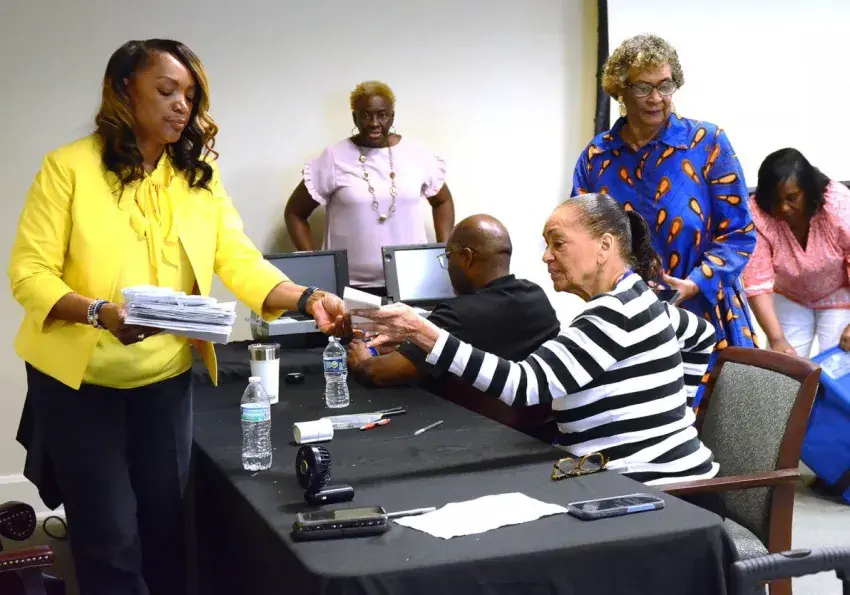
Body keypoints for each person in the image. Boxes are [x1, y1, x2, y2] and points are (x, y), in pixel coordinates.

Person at [7, 39, 344, 595]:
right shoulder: (67, 168)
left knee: (166, 530)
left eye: (189, 95)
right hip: (79, 385)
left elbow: (239, 260)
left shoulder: (197, 178)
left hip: (163, 379)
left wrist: (307, 299)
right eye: (166, 91)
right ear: (124, 90)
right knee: (110, 536)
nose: (181, 105)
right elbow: (30, 273)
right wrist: (100, 313)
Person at [353, 194, 719, 487]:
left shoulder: (613, 312)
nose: (546, 256)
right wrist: (678, 416)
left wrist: (422, 331)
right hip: (618, 473)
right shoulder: (636, 299)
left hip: (654, 492)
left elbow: (523, 384)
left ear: (604, 246)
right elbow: (702, 334)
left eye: (558, 243)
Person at [571, 34, 757, 404]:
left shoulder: (707, 143)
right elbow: (583, 238)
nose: (656, 98)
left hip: (705, 312)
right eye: (643, 87)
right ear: (619, 90)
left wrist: (695, 283)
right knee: (640, 421)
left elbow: (739, 234)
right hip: (627, 320)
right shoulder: (597, 156)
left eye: (666, 86)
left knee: (716, 424)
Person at [284, 80, 455, 294]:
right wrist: (314, 264)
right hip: (349, 286)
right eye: (366, 115)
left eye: (382, 115)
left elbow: (442, 201)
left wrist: (444, 252)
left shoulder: (416, 153)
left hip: (413, 280)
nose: (374, 123)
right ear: (354, 118)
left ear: (392, 116)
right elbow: (295, 213)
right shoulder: (334, 157)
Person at [347, 214, 560, 386]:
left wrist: (362, 360)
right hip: (536, 421)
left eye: (448, 256)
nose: (448, 266)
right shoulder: (537, 296)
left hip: (473, 420)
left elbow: (379, 373)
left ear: (466, 257)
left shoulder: (457, 314)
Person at [743, 149, 850, 357]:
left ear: (808, 191)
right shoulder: (756, 215)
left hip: (838, 292)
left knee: (840, 362)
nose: (783, 207)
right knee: (783, 365)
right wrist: (777, 340)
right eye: (775, 200)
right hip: (790, 294)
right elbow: (756, 282)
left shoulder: (838, 204)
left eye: (792, 197)